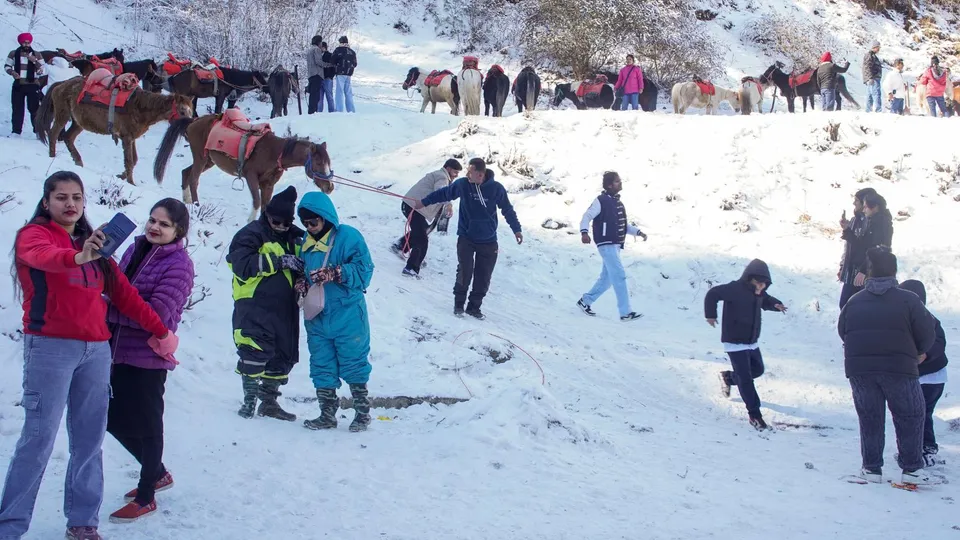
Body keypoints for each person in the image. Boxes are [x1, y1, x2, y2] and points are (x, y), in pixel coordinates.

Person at [0, 171, 178, 540]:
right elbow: (48, 258)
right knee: (38, 440)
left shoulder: (95, 245)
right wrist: (80, 255)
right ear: (47, 202)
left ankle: (82, 523)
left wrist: (161, 331)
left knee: (89, 440)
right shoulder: (34, 236)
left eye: (77, 197)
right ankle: (10, 527)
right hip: (50, 348)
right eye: (61, 197)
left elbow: (125, 294)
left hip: (96, 351)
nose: (70, 204)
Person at [104, 199, 194, 523]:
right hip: (116, 350)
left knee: (149, 426)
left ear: (178, 230)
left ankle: (146, 497)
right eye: (152, 220)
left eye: (164, 224)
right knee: (110, 419)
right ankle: (157, 472)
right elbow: (118, 289)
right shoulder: (135, 248)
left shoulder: (180, 265)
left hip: (148, 357)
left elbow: (158, 315)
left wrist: (104, 310)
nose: (154, 227)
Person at [838, 247, 935, 485]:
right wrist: (918, 352)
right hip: (900, 367)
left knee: (870, 417)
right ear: (894, 271)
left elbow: (843, 331)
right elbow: (927, 334)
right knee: (910, 415)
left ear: (870, 272)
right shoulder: (909, 299)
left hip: (861, 369)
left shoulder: (854, 300)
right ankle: (912, 469)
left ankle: (871, 469)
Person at [296, 191, 375, 432]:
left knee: (354, 362)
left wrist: (336, 273)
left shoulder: (348, 237)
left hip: (348, 314)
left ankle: (362, 414)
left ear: (326, 217)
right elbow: (302, 271)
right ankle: (327, 415)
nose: (309, 228)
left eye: (313, 222)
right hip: (317, 315)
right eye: (305, 223)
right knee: (321, 364)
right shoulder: (305, 244)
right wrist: (301, 283)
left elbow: (365, 271)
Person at [226, 186, 305, 421]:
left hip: (286, 307)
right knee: (254, 349)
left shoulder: (295, 237)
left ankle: (269, 402)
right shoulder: (250, 233)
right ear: (267, 215)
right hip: (254, 304)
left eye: (286, 223)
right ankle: (249, 402)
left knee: (283, 354)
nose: (280, 226)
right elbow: (240, 263)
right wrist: (280, 261)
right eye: (276, 221)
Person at [413, 157, 523, 320]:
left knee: (483, 276)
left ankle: (474, 308)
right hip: (466, 237)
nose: (466, 174)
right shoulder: (463, 185)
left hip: (488, 240)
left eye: (470, 172)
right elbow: (444, 193)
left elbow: (507, 209)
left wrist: (516, 230)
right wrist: (424, 202)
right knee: (465, 271)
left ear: (480, 174)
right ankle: (459, 305)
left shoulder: (496, 189)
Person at [704, 259, 787, 431]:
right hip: (734, 342)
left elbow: (767, 300)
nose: (761, 287)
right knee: (746, 380)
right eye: (759, 283)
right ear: (749, 278)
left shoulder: (759, 293)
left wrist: (776, 305)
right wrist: (710, 315)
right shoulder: (734, 289)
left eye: (764, 284)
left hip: (751, 341)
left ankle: (728, 378)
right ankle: (754, 415)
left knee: (758, 370)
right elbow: (713, 294)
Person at [577, 171, 645, 321]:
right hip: (606, 244)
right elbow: (587, 216)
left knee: (607, 279)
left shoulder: (618, 203)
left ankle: (585, 301)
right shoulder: (600, 201)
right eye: (617, 181)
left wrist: (637, 232)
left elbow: (622, 225)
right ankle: (625, 312)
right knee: (619, 275)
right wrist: (584, 232)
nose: (620, 183)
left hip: (615, 245)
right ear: (609, 185)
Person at [899, 280, 948, 467]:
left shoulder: (929, 319)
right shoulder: (901, 320)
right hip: (917, 377)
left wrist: (926, 355)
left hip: (932, 378)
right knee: (918, 414)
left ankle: (926, 448)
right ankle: (917, 449)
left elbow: (939, 343)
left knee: (921, 413)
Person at [390, 159, 461, 277]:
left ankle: (400, 246)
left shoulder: (439, 175)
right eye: (455, 172)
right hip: (414, 208)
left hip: (411, 206)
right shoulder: (442, 177)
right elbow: (441, 192)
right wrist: (448, 204)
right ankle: (411, 268)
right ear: (448, 169)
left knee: (420, 232)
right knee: (422, 239)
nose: (456, 175)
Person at [837, 187, 878, 308]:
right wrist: (842, 266)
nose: (853, 203)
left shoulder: (873, 222)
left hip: (865, 273)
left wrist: (864, 270)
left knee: (861, 307)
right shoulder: (854, 220)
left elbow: (871, 249)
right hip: (850, 271)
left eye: (856, 200)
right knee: (844, 305)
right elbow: (848, 246)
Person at [4, 32, 43, 135]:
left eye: (28, 42)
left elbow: (43, 70)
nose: (27, 44)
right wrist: (12, 72)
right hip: (18, 84)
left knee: (34, 109)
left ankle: (38, 131)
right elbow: (7, 66)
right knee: (17, 109)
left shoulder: (37, 54)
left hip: (33, 84)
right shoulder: (13, 53)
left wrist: (35, 61)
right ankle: (16, 132)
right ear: (20, 42)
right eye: (24, 42)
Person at [331, 36, 357, 113]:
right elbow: (355, 64)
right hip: (349, 74)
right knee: (348, 92)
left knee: (339, 91)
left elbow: (332, 60)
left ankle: (339, 109)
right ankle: (351, 110)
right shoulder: (352, 52)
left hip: (340, 73)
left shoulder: (338, 50)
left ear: (340, 42)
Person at [306, 35, 325, 114]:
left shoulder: (309, 50)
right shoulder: (316, 49)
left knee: (312, 94)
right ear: (319, 42)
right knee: (316, 96)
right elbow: (318, 62)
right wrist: (328, 64)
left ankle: (311, 111)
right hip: (317, 74)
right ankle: (313, 112)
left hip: (311, 74)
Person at [862, 41, 883, 113]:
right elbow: (867, 67)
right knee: (876, 93)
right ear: (875, 47)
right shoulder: (869, 55)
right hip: (873, 78)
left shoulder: (873, 56)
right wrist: (870, 77)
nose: (879, 49)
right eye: (878, 47)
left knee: (870, 94)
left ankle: (868, 110)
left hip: (873, 78)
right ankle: (878, 110)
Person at [319, 42, 336, 112]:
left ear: (324, 47)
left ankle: (331, 111)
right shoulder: (318, 56)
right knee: (319, 97)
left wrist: (330, 76)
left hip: (327, 78)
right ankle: (319, 111)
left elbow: (334, 67)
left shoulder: (330, 55)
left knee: (329, 96)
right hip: (319, 78)